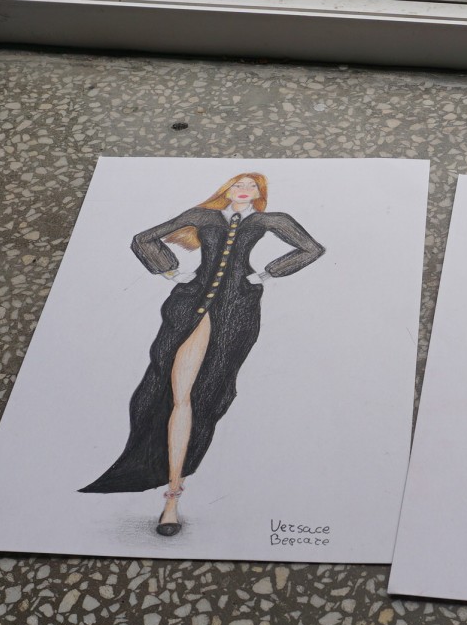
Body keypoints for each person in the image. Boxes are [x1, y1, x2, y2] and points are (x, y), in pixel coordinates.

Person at [80, 173, 324, 535]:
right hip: (189, 304)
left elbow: (311, 248)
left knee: (208, 393)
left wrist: (267, 274)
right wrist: (169, 271)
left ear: (260, 194)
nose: (245, 190)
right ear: (227, 189)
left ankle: (174, 495)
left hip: (236, 310)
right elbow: (143, 239)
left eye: (253, 186)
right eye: (239, 184)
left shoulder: (269, 220)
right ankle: (171, 497)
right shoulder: (203, 216)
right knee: (176, 393)